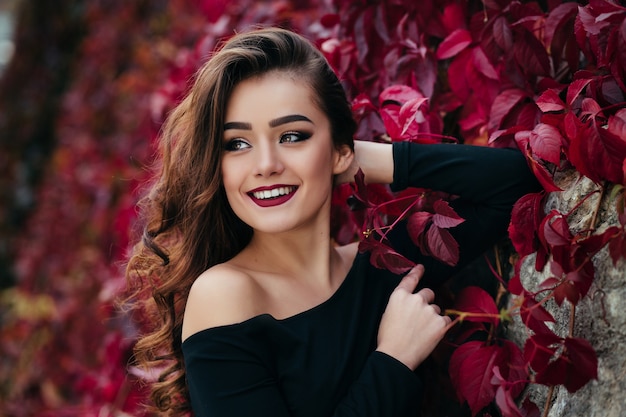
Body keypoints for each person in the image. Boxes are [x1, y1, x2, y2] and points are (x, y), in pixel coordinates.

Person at [125, 27, 540, 416]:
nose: (266, 165)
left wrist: (372, 158)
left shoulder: (388, 266)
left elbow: (520, 184)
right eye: (237, 144)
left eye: (292, 136)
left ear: (342, 150)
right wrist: (393, 360)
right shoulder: (225, 295)